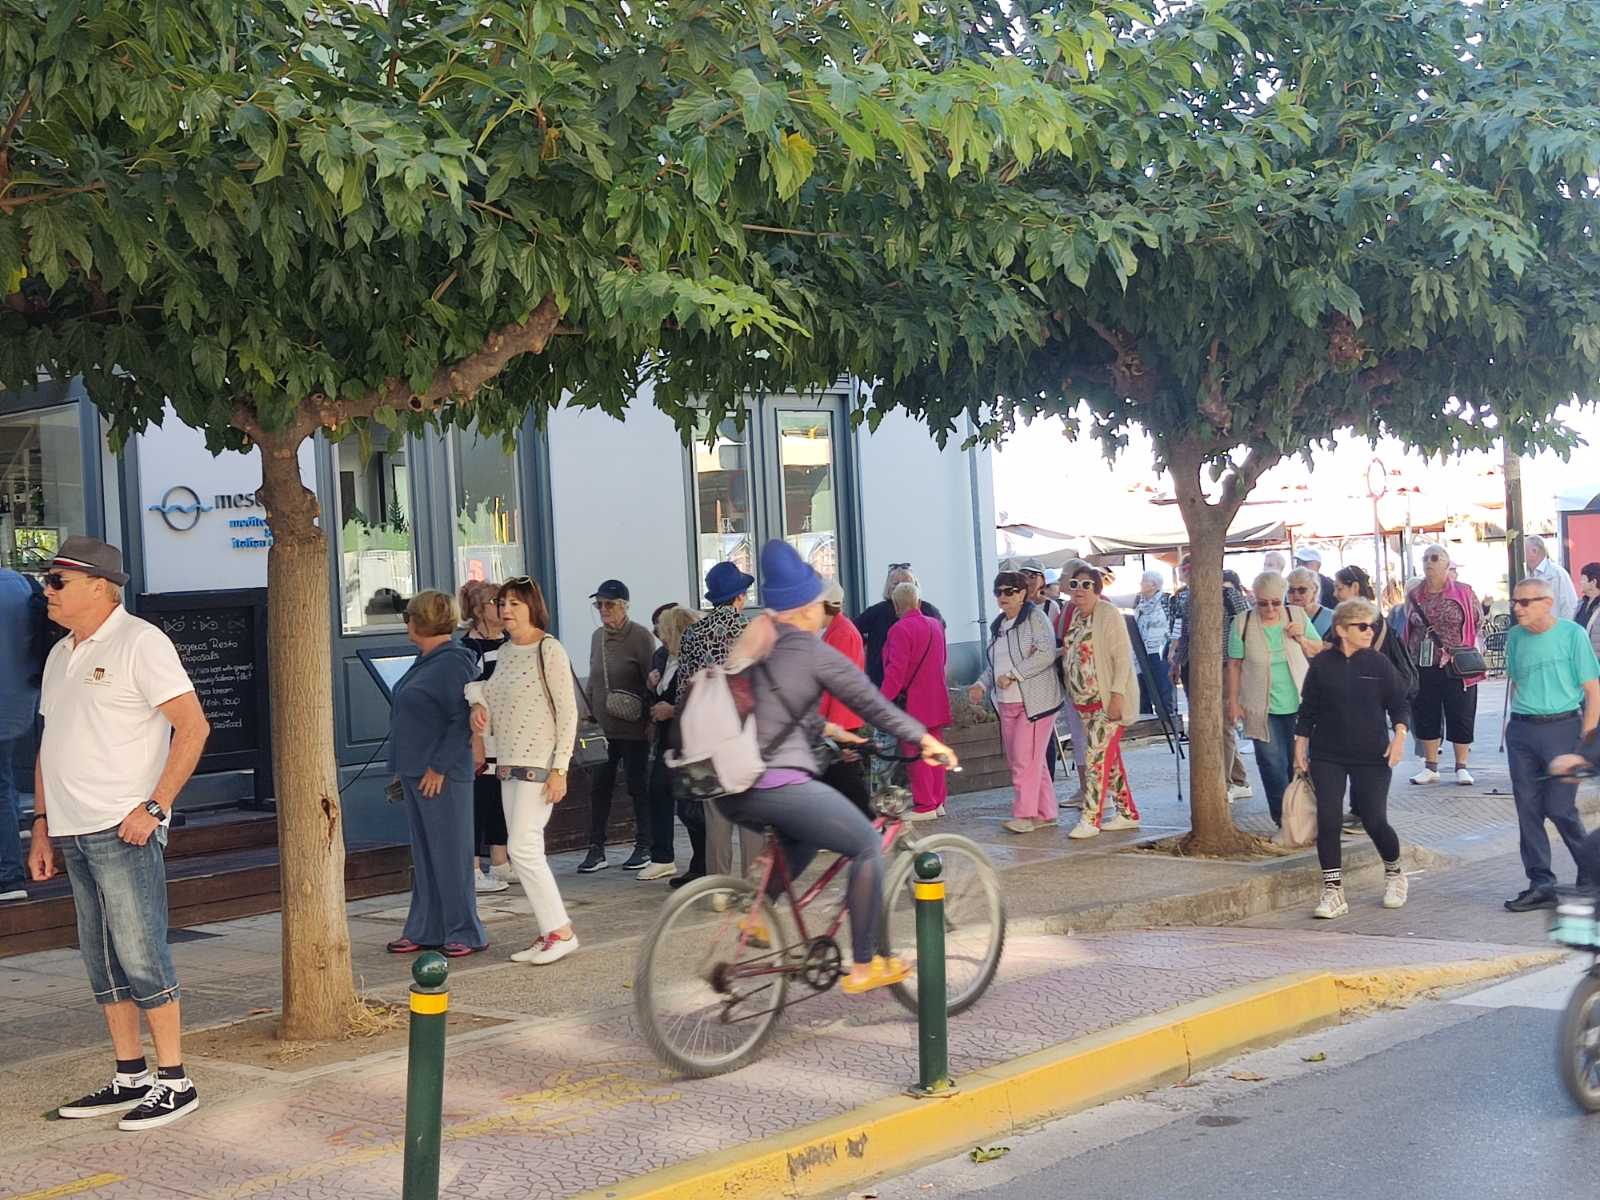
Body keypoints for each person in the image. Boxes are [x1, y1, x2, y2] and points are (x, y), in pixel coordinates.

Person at [716, 540, 958, 995]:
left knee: (805, 835)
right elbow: (872, 703)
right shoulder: (809, 650)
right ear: (806, 607)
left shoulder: (760, 639)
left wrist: (829, 728)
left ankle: (756, 916)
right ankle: (867, 963)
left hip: (728, 786)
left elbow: (773, 707)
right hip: (775, 783)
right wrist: (925, 739)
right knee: (866, 844)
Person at [28, 536, 210, 1130]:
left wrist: (155, 808)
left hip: (121, 827)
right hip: (72, 830)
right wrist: (40, 826)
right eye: (47, 580)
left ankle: (175, 1080)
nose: (47, 591)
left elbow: (193, 727)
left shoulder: (141, 642)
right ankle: (130, 1074)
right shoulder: (60, 654)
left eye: (58, 581)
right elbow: (50, 745)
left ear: (100, 587)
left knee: (141, 952)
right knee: (102, 959)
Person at [468, 577, 582, 961]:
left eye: (514, 603)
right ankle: (550, 930)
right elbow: (487, 691)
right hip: (508, 763)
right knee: (525, 849)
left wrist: (560, 769)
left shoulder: (549, 649)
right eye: (502, 603)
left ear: (533, 607)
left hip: (540, 763)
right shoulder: (505, 651)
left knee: (523, 846)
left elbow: (567, 712)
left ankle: (561, 932)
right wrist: (476, 703)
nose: (506, 610)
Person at [1293, 598, 1412, 919]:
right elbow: (1308, 709)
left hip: (1372, 754)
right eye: (1362, 626)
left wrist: (1399, 737)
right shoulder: (1322, 664)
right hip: (1327, 754)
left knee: (1374, 820)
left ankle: (1395, 873)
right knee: (1329, 820)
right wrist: (1300, 745)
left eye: (1371, 625)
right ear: (1342, 630)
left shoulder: (1379, 664)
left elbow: (1399, 704)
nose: (1369, 631)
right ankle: (1333, 891)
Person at [385, 590, 486, 959]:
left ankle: (465, 931)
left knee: (451, 855)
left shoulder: (453, 662)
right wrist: (401, 769)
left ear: (419, 622)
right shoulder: (427, 659)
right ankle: (425, 928)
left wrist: (438, 767)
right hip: (415, 771)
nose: (406, 624)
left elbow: (461, 720)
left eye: (409, 617)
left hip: (441, 774)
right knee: (426, 856)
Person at [1500, 576, 1600, 912]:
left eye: (1524, 602)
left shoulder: (1572, 635)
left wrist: (1586, 744)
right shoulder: (1515, 636)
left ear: (1547, 603)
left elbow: (1593, 691)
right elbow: (1517, 680)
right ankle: (1541, 883)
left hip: (1563, 728)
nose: (1517, 609)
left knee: (1559, 808)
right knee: (1527, 810)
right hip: (1523, 730)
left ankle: (1591, 872)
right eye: (1515, 602)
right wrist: (1514, 723)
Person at [676, 560, 763, 884]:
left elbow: (684, 687)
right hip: (743, 731)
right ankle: (752, 886)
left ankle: (718, 888)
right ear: (739, 597)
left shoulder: (693, 633)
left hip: (707, 732)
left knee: (716, 813)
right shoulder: (750, 631)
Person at [968, 570, 1064, 834]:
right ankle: (1046, 812)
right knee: (1029, 761)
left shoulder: (1035, 618)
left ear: (1022, 593)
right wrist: (981, 684)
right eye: (998, 591)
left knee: (1024, 760)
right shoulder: (999, 625)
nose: (1003, 596)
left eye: (1009, 591)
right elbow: (995, 665)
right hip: (1006, 703)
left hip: (1035, 702)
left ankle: (1025, 815)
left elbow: (1045, 654)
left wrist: (1014, 675)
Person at [1226, 572, 1321, 824]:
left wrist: (1301, 637)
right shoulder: (1242, 622)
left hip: (1300, 704)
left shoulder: (1296, 615)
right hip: (1260, 706)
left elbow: (1319, 649)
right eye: (1263, 603)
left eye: (1276, 602)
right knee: (1271, 764)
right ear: (1254, 599)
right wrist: (1233, 702)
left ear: (1283, 598)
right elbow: (1234, 665)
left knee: (1300, 762)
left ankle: (1306, 817)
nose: (1270, 609)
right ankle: (1283, 820)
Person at [1057, 561, 1140, 839]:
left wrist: (1117, 695)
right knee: (1109, 760)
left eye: (1086, 585)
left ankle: (1090, 818)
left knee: (1095, 759)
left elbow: (1122, 658)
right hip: (1084, 704)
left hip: (1106, 703)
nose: (1079, 590)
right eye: (1074, 584)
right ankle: (1127, 813)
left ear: (1097, 588)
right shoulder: (1075, 616)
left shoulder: (1108, 613)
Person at [582, 579, 655, 874]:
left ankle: (644, 845)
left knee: (638, 787)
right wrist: (587, 714)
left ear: (624, 606)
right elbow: (593, 678)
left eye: (609, 604)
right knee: (599, 788)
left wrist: (650, 721)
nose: (603, 610)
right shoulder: (597, 637)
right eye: (599, 604)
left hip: (634, 728)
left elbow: (651, 681)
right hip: (603, 728)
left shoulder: (640, 637)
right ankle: (596, 848)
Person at [1171, 558, 1254, 800]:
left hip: (1226, 665)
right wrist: (1177, 662)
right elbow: (1184, 635)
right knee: (1209, 724)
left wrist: (1241, 663)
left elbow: (1247, 627)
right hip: (1195, 668)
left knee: (1222, 724)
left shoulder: (1229, 595)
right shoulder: (1186, 598)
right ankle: (1239, 780)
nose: (1187, 577)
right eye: (1185, 573)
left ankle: (1224, 783)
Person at [1404, 544, 1483, 786]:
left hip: (1458, 662)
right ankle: (1431, 767)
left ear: (1447, 564)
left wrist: (1458, 644)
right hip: (1424, 661)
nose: (1429, 562)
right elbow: (1408, 623)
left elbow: (1477, 620)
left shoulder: (1463, 591)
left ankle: (1462, 767)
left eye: (1434, 558)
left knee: (1461, 713)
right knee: (1426, 712)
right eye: (1425, 558)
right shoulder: (1414, 593)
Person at [880, 579, 952, 820]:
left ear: (896, 606)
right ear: (918, 602)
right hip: (936, 697)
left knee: (915, 754)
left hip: (913, 703)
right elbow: (943, 660)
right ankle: (938, 801)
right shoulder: (935, 625)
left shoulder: (899, 630)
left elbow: (896, 672)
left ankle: (925, 804)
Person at [458, 579, 512, 894]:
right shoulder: (469, 648)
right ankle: (474, 868)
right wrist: (475, 737)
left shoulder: (510, 642)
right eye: (496, 602)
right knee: (478, 800)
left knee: (499, 797)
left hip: (507, 735)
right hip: (482, 734)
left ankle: (500, 860)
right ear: (479, 610)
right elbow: (469, 693)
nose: (503, 608)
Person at [640, 605, 698, 882]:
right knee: (658, 791)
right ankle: (662, 858)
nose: (659, 635)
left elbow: (699, 700)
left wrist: (672, 710)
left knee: (689, 805)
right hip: (667, 737)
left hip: (689, 739)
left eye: (662, 630)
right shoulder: (663, 656)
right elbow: (658, 694)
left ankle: (701, 863)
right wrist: (651, 686)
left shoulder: (693, 657)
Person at [0, 563, 41, 901]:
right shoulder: (21, 585)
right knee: (4, 783)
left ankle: (8, 875)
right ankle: (9, 873)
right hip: (19, 704)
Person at [818, 581, 873, 818]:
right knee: (841, 781)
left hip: (841, 721)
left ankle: (870, 825)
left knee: (845, 781)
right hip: (838, 719)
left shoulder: (842, 633)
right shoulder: (836, 631)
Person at [858, 563, 945, 685]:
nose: (902, 587)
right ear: (888, 588)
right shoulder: (876, 612)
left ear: (915, 586)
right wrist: (867, 645)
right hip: (883, 680)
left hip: (918, 683)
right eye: (896, 583)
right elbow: (853, 630)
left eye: (906, 583)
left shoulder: (930, 611)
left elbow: (941, 645)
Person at [1133, 570, 1175, 718]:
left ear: (1154, 585)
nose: (1141, 584)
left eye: (1144, 581)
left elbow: (1173, 624)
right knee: (1142, 690)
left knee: (1163, 689)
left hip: (1160, 651)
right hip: (1141, 652)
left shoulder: (1167, 601)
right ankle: (1147, 722)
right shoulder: (1139, 602)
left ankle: (1168, 721)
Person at [1525, 534, 1578, 621]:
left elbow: (1569, 606)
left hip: (1555, 627)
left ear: (1534, 551)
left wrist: (1564, 628)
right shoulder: (1526, 575)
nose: (1521, 555)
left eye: (1524, 551)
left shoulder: (1557, 573)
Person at [1286, 567, 1333, 638]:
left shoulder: (1331, 618)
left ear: (1314, 590)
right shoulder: (1280, 614)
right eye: (1291, 590)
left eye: (1302, 590)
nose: (1296, 594)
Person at [1575, 562, 1600, 658]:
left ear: (1593, 582)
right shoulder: (1580, 604)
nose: (1580, 582)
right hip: (1582, 658)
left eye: (1583, 579)